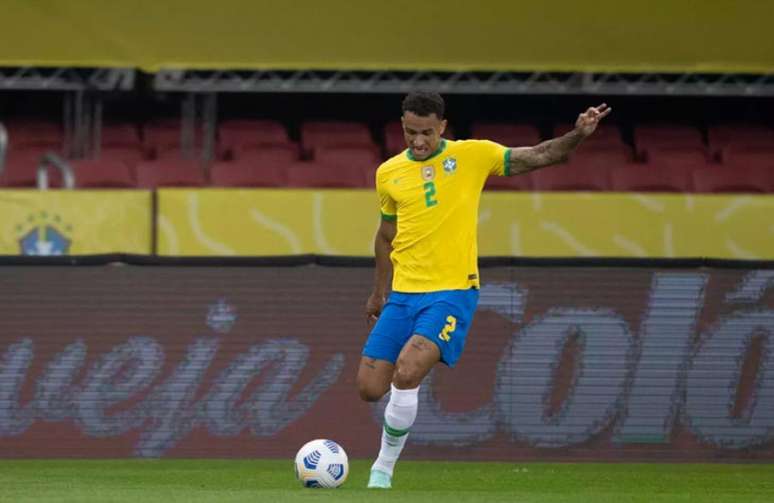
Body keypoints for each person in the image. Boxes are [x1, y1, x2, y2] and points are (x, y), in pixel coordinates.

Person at [357, 91, 611, 489]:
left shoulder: (473, 155)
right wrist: (377, 292)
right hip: (403, 294)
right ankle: (392, 435)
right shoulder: (388, 173)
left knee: (406, 372)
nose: (418, 141)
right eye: (410, 132)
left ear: (442, 127)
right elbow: (385, 235)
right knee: (369, 388)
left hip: (452, 291)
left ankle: (382, 470)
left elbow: (543, 155)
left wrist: (577, 134)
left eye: (426, 132)